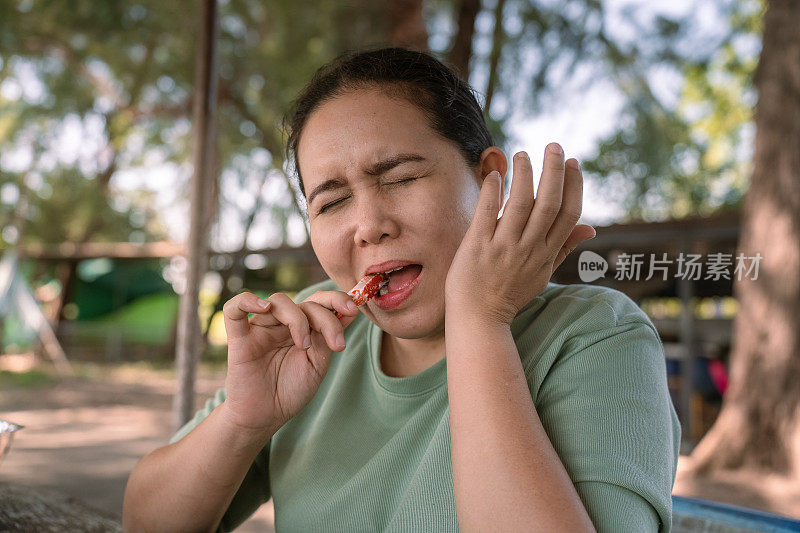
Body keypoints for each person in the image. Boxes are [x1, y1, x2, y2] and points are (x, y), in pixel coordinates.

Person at [122, 47, 681, 532]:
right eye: (332, 201)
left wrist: (480, 320)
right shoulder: (316, 337)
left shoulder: (595, 335)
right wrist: (246, 417)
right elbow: (144, 523)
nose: (368, 224)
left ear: (490, 178)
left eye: (400, 178)